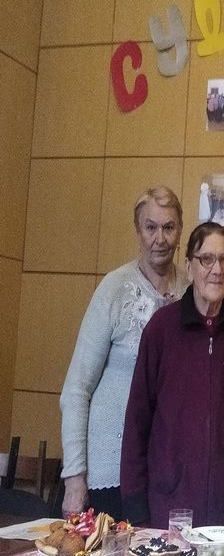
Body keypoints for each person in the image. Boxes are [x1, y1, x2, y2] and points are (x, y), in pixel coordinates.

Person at [59, 187, 187, 520]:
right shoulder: (114, 288)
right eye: (150, 227)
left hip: (165, 472)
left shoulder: (191, 290)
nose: (159, 238)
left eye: (169, 227)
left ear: (180, 231)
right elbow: (77, 389)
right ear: (137, 231)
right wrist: (74, 476)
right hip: (109, 469)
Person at [120, 222, 224, 528]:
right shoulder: (161, 329)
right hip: (169, 504)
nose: (217, 269)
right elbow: (137, 421)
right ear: (189, 266)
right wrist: (136, 507)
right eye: (206, 259)